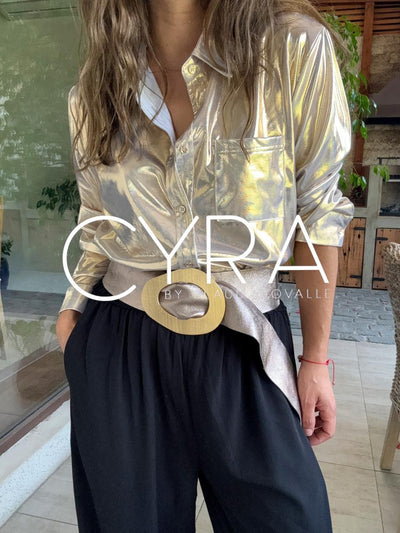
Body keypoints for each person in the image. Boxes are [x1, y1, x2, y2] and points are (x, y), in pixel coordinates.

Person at [56, 0, 354, 531]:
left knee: (292, 517)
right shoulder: (97, 81)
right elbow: (96, 218)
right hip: (122, 339)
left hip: (246, 341)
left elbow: (318, 210)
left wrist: (316, 359)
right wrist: (73, 308)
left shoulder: (292, 47)